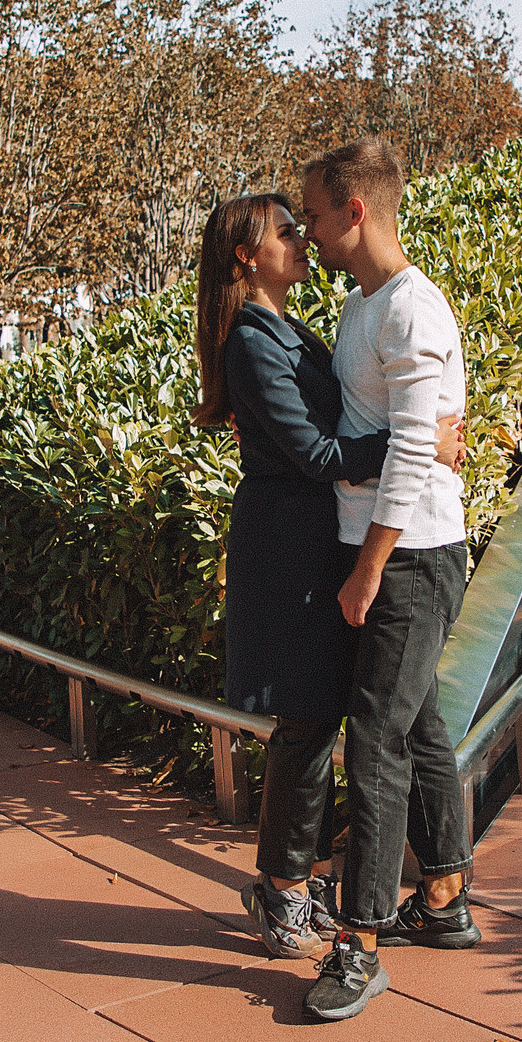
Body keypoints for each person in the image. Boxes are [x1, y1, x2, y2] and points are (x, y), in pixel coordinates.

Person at [191, 193, 463, 960]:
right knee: (306, 722)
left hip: (317, 541)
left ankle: (305, 884)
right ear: (247, 255)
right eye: (286, 231)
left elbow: (332, 429)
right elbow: (316, 453)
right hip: (290, 551)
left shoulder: (287, 329)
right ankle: (282, 891)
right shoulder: (253, 341)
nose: (302, 237)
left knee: (328, 720)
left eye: (302, 223)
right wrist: (419, 444)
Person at [294, 137, 477, 1023]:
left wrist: (370, 565)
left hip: (409, 556)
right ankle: (444, 897)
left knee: (373, 740)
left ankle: (359, 944)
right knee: (420, 725)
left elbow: (415, 447)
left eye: (317, 216)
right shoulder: (366, 308)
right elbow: (433, 421)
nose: (309, 231)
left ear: (356, 212)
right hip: (387, 550)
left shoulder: (412, 307)